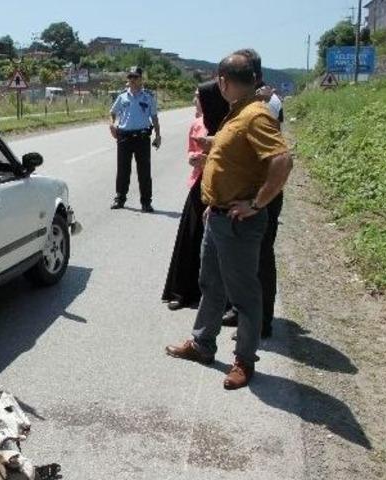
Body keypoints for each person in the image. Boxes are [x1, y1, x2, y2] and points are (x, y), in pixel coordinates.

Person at [165, 54, 293, 390]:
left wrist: (256, 203)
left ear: (224, 81)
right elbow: (237, 156)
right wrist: (212, 150)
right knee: (211, 284)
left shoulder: (255, 116)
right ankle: (203, 343)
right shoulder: (238, 112)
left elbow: (282, 160)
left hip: (239, 222)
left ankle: (244, 361)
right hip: (219, 215)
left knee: (245, 296)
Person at [221, 49, 285, 339]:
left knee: (260, 258)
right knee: (244, 260)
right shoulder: (247, 102)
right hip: (249, 191)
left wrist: (259, 202)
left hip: (261, 194)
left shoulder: (265, 104)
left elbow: (279, 159)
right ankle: (241, 312)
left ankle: (261, 322)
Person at [160, 81, 229, 310]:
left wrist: (209, 159)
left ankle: (220, 299)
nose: (194, 100)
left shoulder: (229, 126)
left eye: (198, 96)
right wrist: (195, 157)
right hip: (199, 183)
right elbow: (191, 148)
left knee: (218, 245)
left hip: (223, 188)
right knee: (189, 238)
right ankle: (182, 291)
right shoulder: (198, 124)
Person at [109, 66, 162, 212]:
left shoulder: (148, 97)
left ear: (141, 79)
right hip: (124, 137)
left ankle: (146, 202)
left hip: (142, 137)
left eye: (135, 77)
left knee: (144, 171)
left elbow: (154, 117)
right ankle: (120, 198)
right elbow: (112, 112)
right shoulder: (122, 97)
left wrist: (158, 135)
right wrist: (112, 124)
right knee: (123, 169)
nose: (132, 80)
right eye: (130, 77)